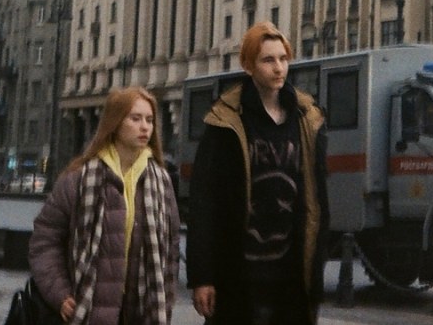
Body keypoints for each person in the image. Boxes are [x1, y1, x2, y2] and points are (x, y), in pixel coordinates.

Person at [187, 21, 329, 325]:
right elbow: (204, 202)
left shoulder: (306, 119)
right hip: (238, 272)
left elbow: (317, 200)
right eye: (268, 60)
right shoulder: (226, 122)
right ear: (249, 65)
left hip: (291, 274)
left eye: (283, 58)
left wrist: (316, 271)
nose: (278, 68)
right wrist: (202, 276)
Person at [28, 87, 180, 325]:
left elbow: (171, 248)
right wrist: (60, 293)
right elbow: (45, 240)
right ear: (115, 123)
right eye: (135, 118)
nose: (145, 127)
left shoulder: (161, 182)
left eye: (149, 120)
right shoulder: (79, 179)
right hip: (87, 311)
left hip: (142, 313)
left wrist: (165, 299)